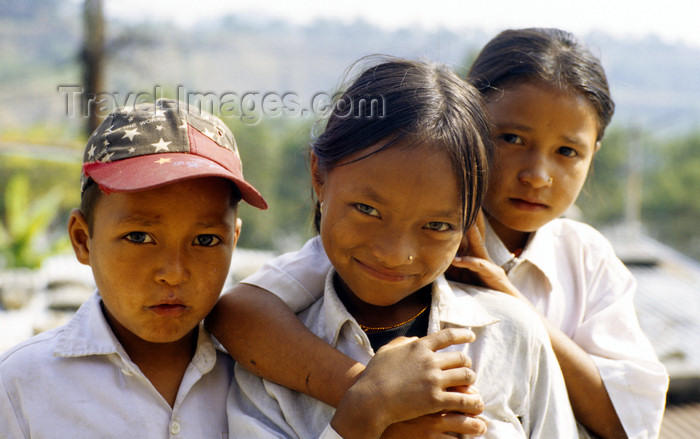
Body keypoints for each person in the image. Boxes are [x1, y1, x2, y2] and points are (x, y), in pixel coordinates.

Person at [208, 29, 669, 439]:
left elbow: (632, 420)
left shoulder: (577, 263)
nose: (537, 174)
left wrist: (519, 309)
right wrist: (372, 397)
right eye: (510, 138)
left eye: (437, 226)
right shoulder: (341, 267)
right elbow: (240, 313)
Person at [0, 99, 267, 438]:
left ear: (234, 239)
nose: (173, 272)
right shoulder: (21, 386)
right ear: (83, 239)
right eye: (139, 237)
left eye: (205, 240)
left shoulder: (262, 380)